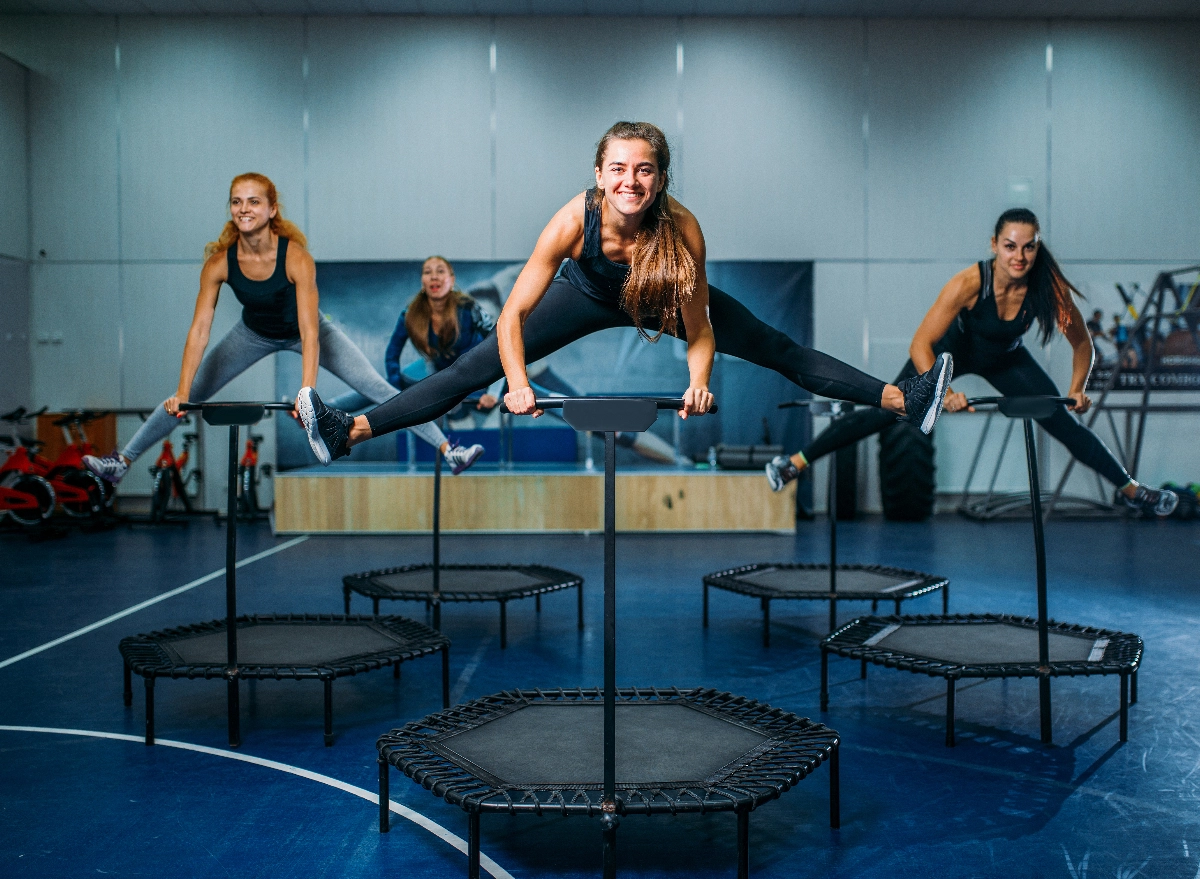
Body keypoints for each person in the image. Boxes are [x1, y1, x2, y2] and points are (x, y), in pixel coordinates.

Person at [296, 121, 951, 465]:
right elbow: (513, 316)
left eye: (643, 169)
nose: (629, 180)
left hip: (657, 298)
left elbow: (699, 329)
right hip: (583, 292)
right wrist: (519, 382)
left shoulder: (682, 229)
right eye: (618, 168)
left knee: (776, 346)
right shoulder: (569, 220)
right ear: (599, 174)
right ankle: (349, 428)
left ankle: (902, 398)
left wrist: (697, 381)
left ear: (659, 177)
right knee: (473, 369)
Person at [764, 208, 1178, 518]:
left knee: (1061, 421)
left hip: (1007, 359)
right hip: (949, 354)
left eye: (1028, 246)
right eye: (1010, 246)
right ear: (994, 245)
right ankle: (794, 463)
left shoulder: (1047, 288)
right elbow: (920, 343)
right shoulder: (967, 284)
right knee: (886, 411)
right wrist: (940, 391)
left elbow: (1082, 345)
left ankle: (1131, 490)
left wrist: (1077, 389)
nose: (1019, 256)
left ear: (1037, 246)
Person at [83, 173, 481, 485]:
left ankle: (450, 452)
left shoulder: (297, 258)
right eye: (236, 202)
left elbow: (309, 332)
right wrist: (184, 391)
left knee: (378, 389)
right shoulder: (220, 263)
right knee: (185, 399)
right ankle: (121, 462)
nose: (244, 208)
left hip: (311, 332)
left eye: (253, 201)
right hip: (251, 335)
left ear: (272, 209)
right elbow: (199, 330)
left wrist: (307, 395)